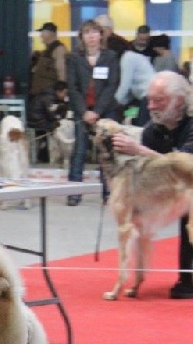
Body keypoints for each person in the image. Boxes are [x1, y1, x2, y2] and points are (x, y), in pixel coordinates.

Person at [112, 71, 193, 299]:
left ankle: (188, 278)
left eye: (159, 101)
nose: (151, 106)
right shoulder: (152, 131)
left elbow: (184, 166)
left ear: (178, 101)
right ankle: (184, 279)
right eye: (149, 100)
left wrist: (138, 150)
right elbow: (150, 172)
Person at [66, 19, 119, 206]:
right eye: (87, 32)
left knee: (107, 152)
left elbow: (112, 85)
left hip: (106, 110)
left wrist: (97, 111)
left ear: (101, 35)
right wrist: (84, 112)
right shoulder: (74, 58)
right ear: (82, 37)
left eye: (95, 32)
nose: (91, 36)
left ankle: (108, 192)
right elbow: (72, 88)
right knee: (79, 150)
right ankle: (74, 192)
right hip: (82, 111)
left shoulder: (111, 56)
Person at [115, 50, 154, 127]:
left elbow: (125, 85)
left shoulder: (127, 58)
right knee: (131, 120)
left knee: (141, 125)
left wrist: (115, 101)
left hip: (147, 96)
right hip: (139, 98)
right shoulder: (135, 57)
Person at [29, 22, 67, 97]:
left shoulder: (59, 49)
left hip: (50, 94)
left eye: (42, 33)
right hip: (41, 93)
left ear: (49, 33)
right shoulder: (46, 51)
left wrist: (61, 88)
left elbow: (61, 70)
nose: (41, 36)